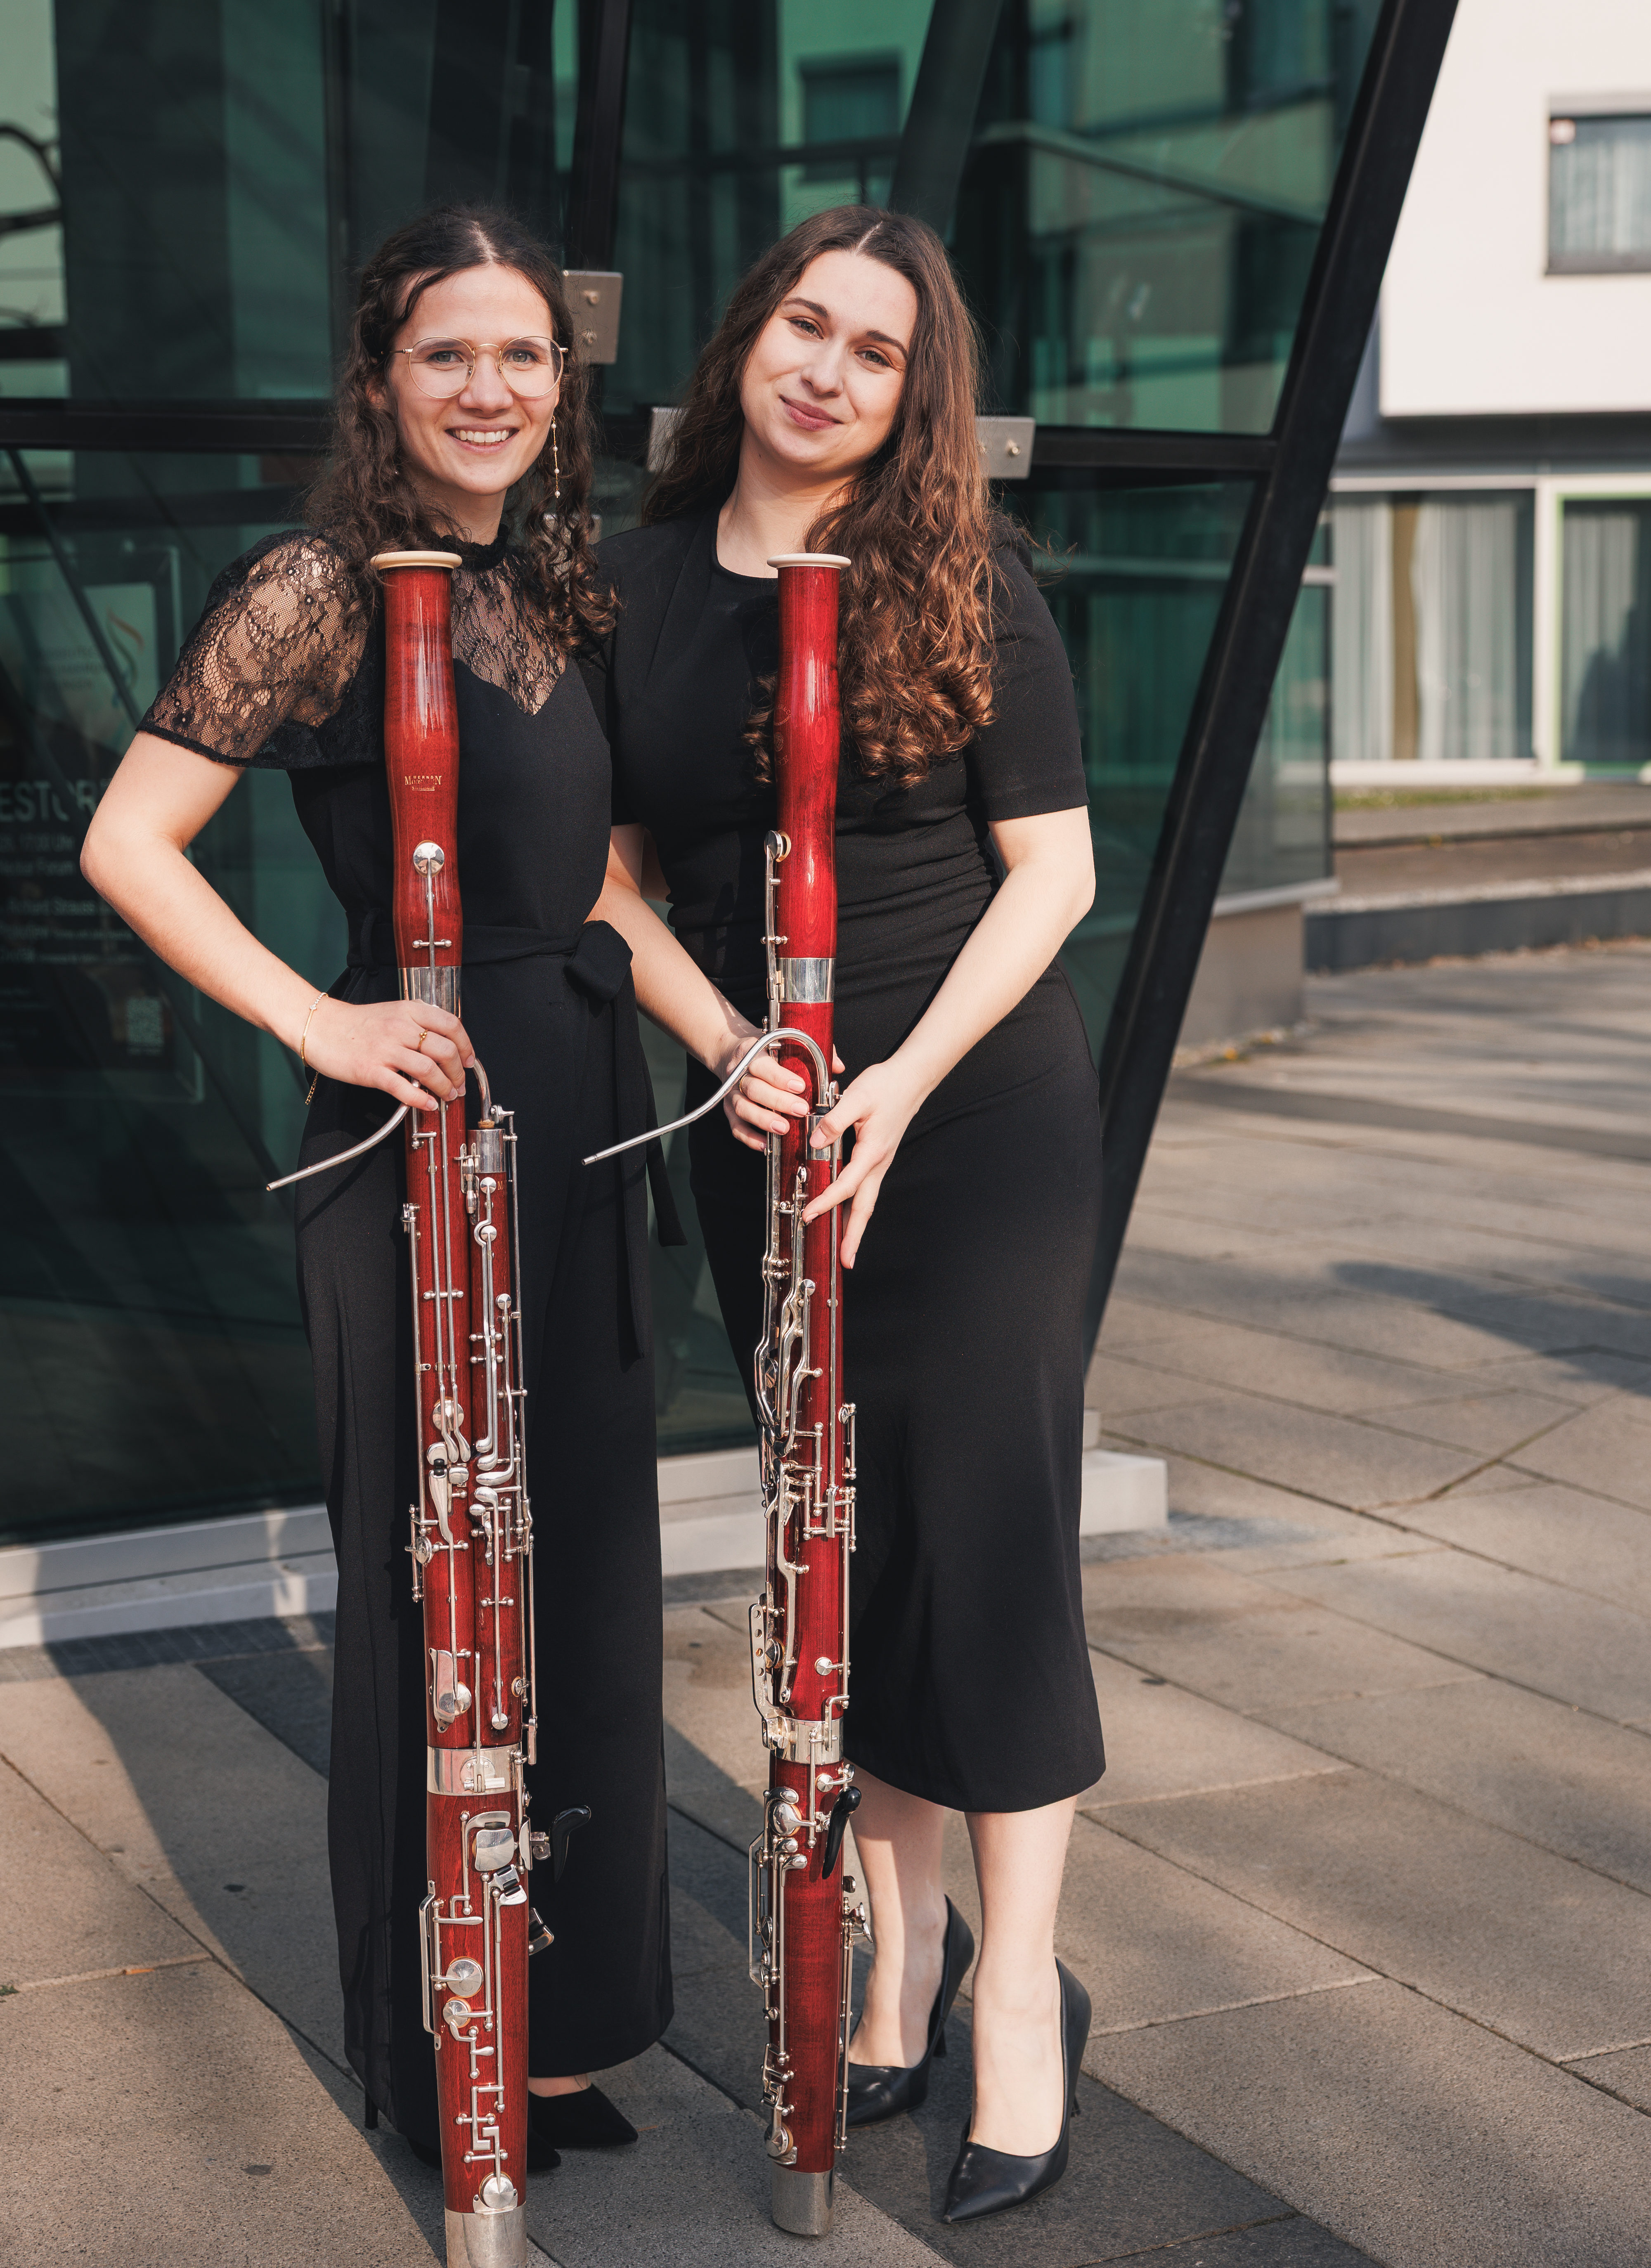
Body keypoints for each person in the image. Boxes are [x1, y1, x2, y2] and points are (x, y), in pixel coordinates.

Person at [81, 203, 672, 2168]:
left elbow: (592, 887)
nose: (490, 389)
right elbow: (131, 844)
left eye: (523, 357)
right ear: (381, 378)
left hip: (576, 1110)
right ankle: (437, 2051)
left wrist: (730, 1041)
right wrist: (320, 1029)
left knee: (576, 1584)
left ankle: (556, 2029)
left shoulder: (553, 589)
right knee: (442, 1594)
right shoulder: (316, 587)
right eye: (448, 355)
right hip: (415, 1117)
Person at [587, 204, 1105, 2222]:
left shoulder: (961, 571)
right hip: (768, 1113)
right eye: (806, 323)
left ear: (913, 397)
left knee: (979, 1545)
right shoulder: (635, 586)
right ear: (746, 340)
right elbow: (614, 879)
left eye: (874, 351)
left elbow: (1050, 877)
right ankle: (900, 1960)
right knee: (844, 1546)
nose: (827, 368)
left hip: (969, 1121)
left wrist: (901, 1080)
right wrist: (726, 1043)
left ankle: (1021, 2005)